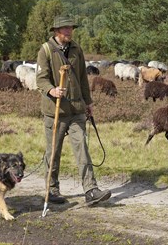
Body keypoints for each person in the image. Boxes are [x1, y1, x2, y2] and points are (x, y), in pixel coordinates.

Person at [36, 15, 111, 206]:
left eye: (71, 28)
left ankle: (91, 190)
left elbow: (83, 79)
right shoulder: (45, 50)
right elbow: (41, 79)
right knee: (54, 151)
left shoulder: (77, 49)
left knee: (82, 149)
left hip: (77, 110)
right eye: (66, 28)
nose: (69, 31)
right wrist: (51, 90)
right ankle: (51, 189)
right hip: (55, 111)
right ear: (56, 31)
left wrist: (88, 102)